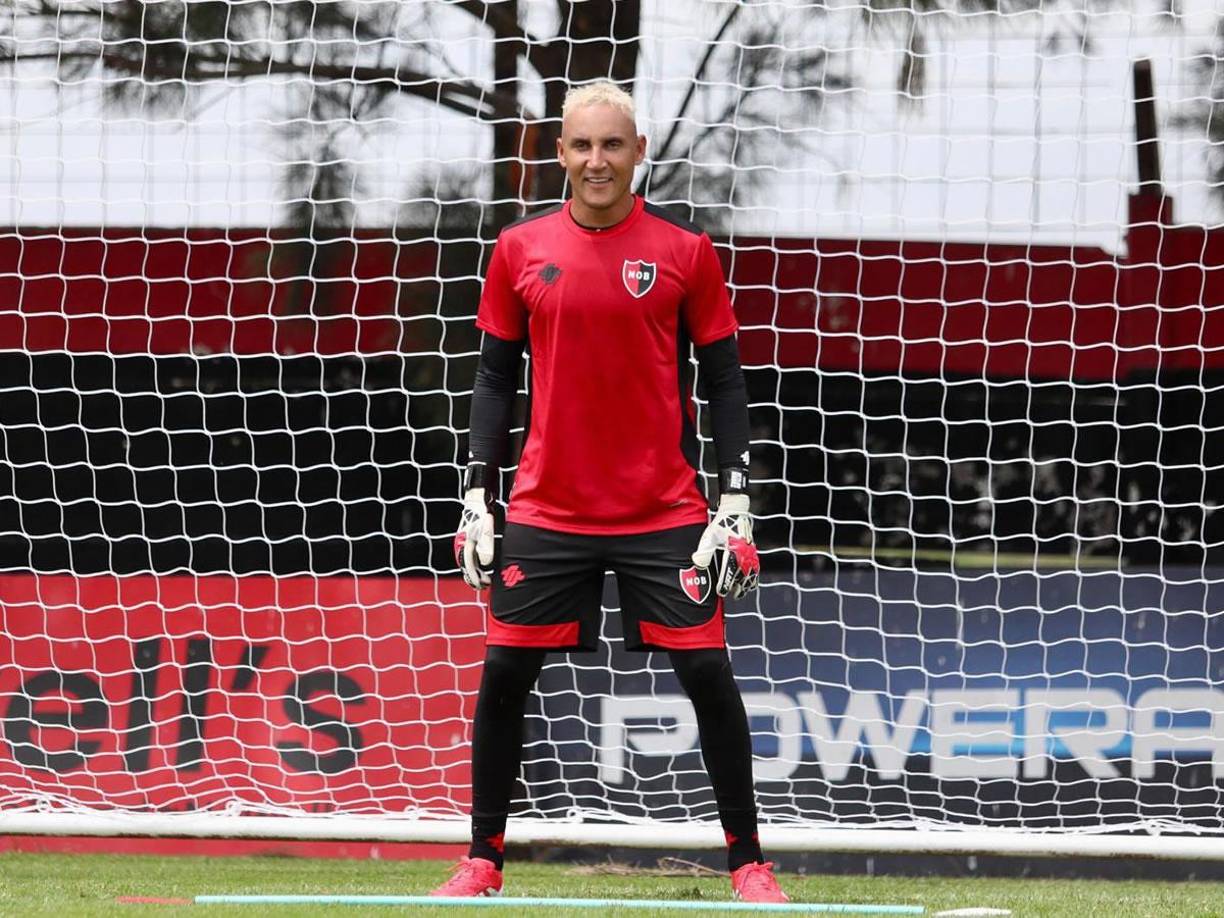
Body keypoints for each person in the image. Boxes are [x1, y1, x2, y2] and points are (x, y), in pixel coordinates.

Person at [433, 81, 784, 904]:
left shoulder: (684, 251)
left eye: (612, 145)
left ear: (638, 152)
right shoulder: (519, 250)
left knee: (709, 678)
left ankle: (748, 863)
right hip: (548, 509)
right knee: (504, 678)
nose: (598, 160)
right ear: (560, 153)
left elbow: (725, 383)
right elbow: (492, 379)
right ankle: (482, 858)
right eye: (582, 145)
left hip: (664, 511)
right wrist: (477, 495)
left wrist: (733, 499)